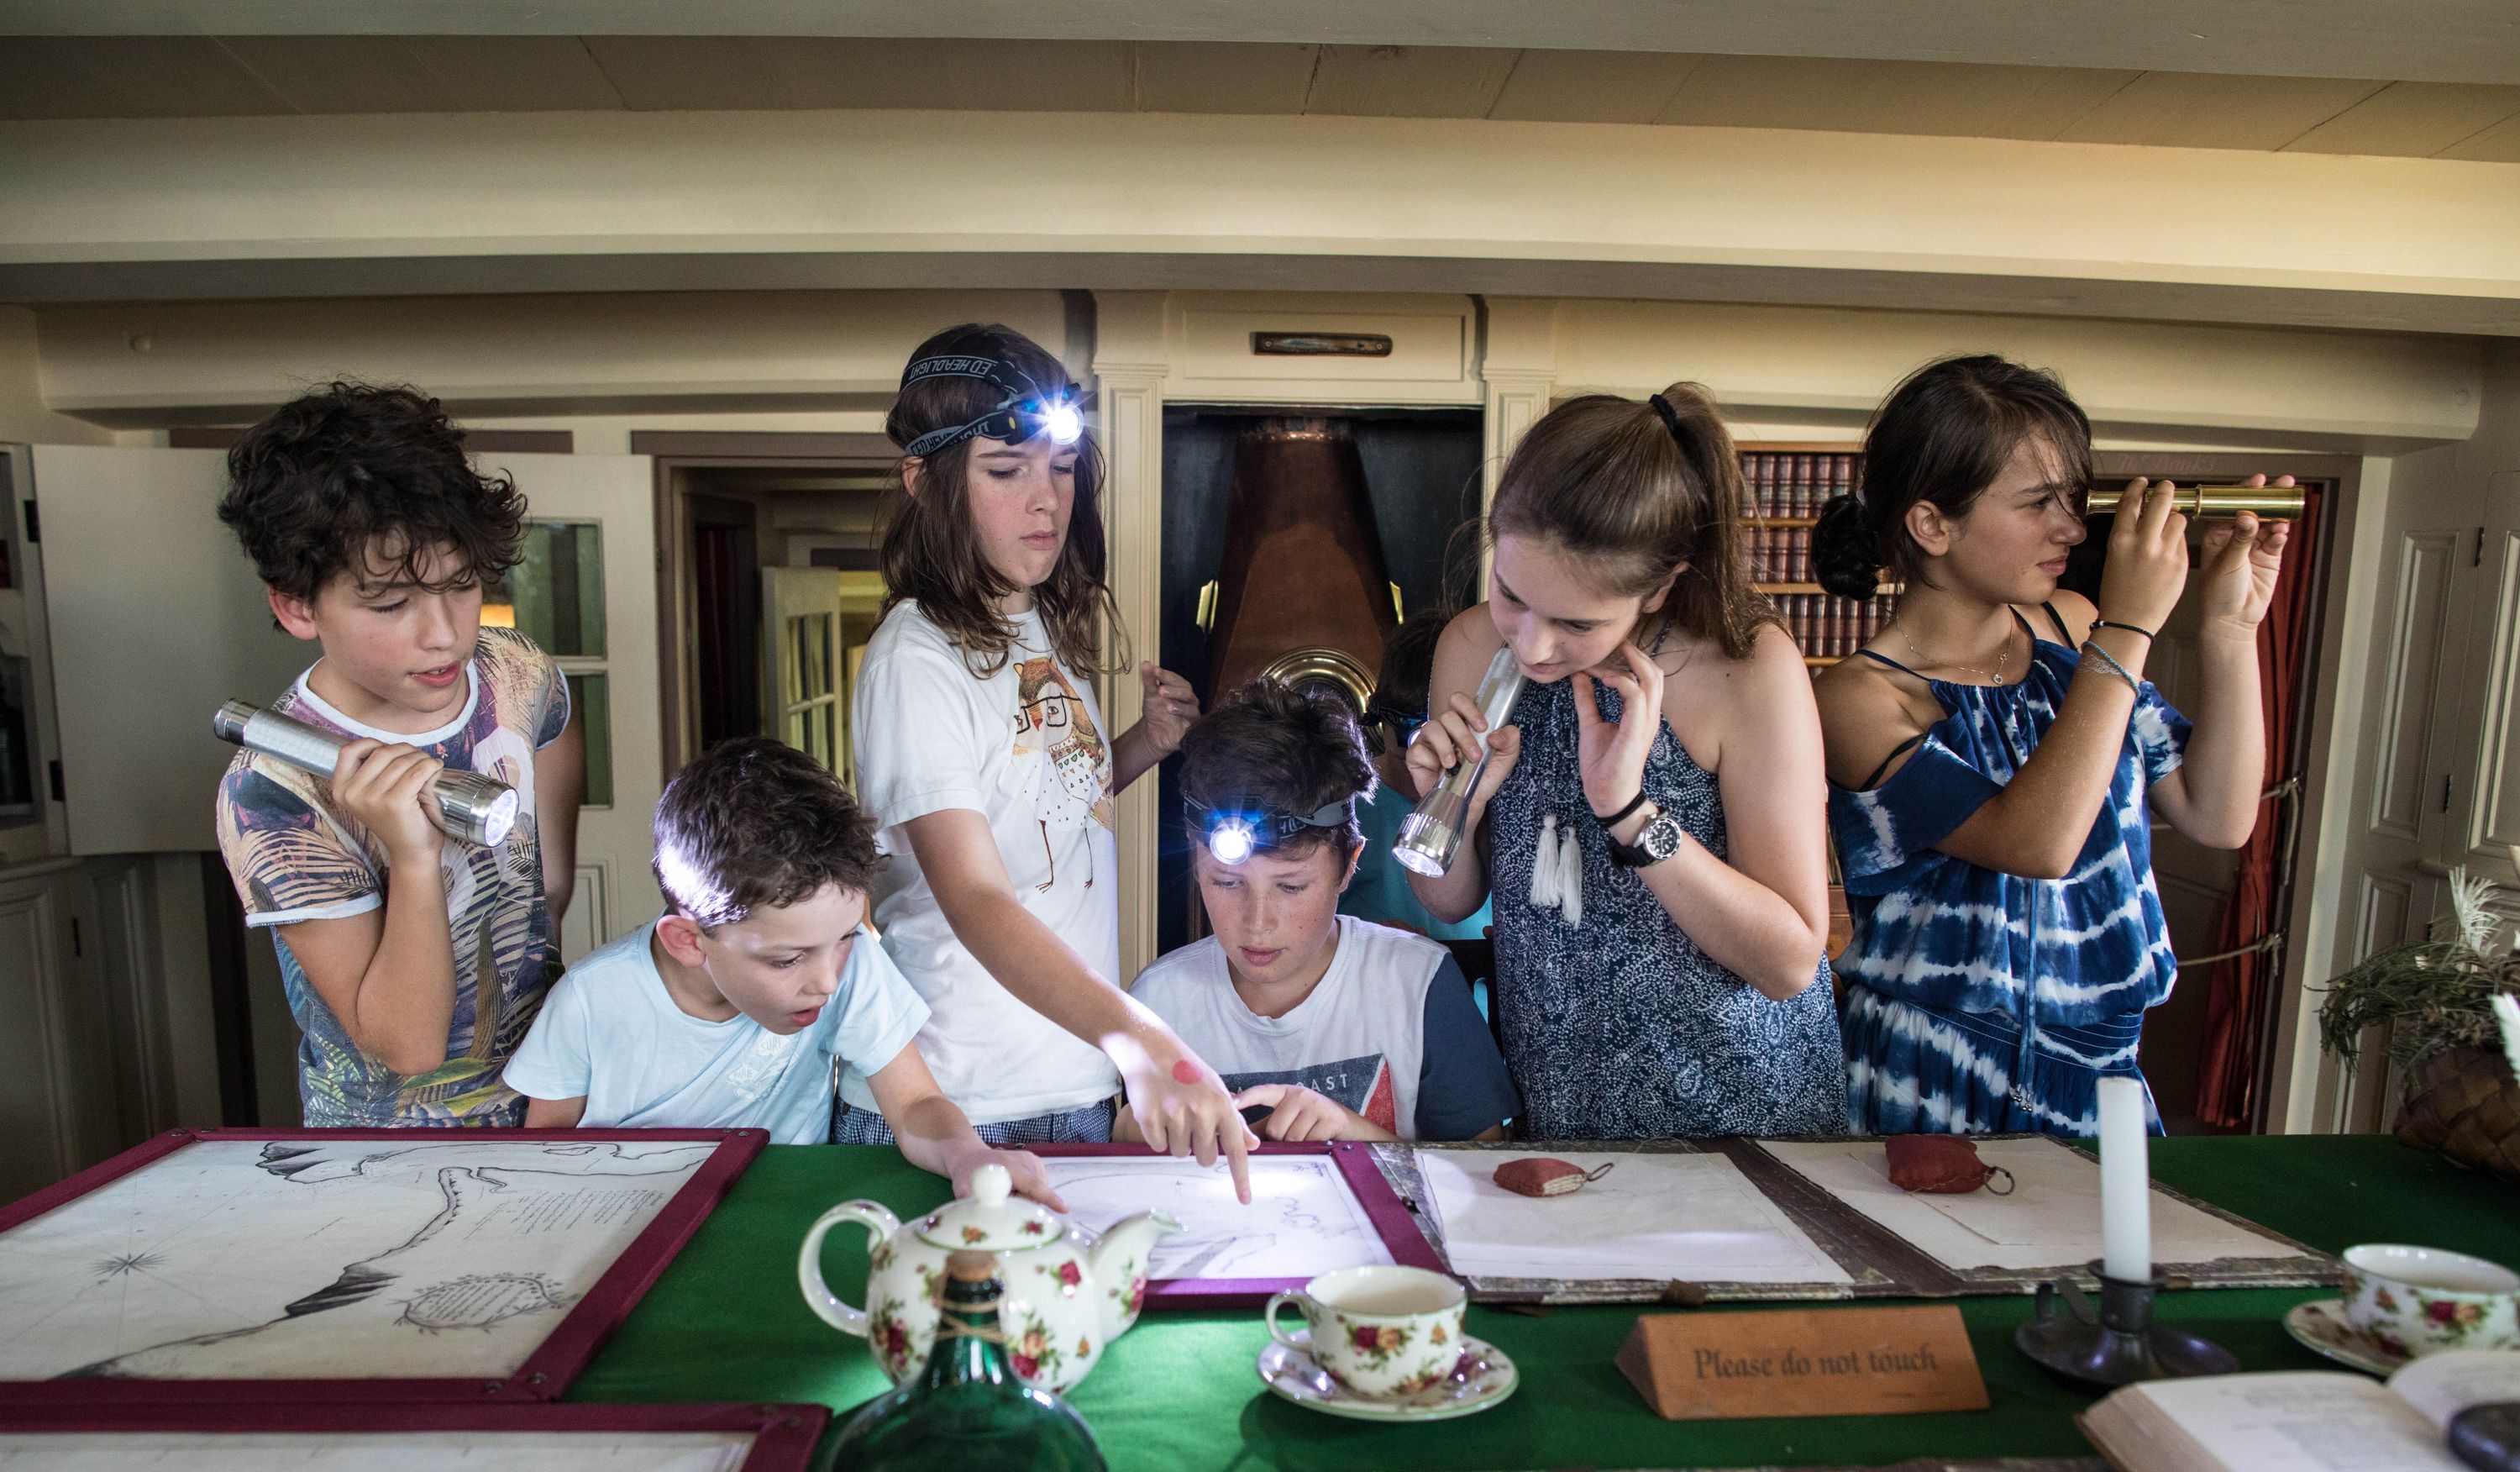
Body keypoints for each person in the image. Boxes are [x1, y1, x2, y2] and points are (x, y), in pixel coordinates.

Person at [1810, 354, 2290, 1136]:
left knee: (2115, 1265)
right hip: (1934, 1075)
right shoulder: (1858, 699)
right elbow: (2033, 842)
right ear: (1933, 524)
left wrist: (2231, 629)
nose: (2071, 528)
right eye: (2038, 503)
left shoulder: (2073, 631)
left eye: (2073, 498)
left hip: (2100, 1071)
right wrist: (2128, 632)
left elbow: (2219, 816)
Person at [846, 323, 1257, 1197]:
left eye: (1061, 468)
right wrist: (1139, 1036)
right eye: (1007, 471)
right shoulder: (914, 659)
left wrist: (1145, 743)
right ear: (924, 480)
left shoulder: (1028, 618)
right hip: (965, 1097)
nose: (1047, 501)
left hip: (1064, 1075)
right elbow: (976, 895)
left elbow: (1042, 806)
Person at [1404, 386, 1845, 1139]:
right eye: (1512, 593)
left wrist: (1631, 816)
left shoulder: (1747, 666)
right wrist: (1454, 805)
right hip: (1560, 1097)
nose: (1532, 646)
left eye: (1577, 622)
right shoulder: (1473, 648)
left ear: (1662, 585)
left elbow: (1789, 961)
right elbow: (1446, 902)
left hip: (1739, 1109)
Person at [213, 381, 582, 1127]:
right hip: (394, 1146)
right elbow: (407, 1045)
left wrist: (550, 885)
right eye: (390, 604)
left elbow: (555, 726)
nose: (444, 634)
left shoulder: (514, 669)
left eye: (461, 584)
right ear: (295, 605)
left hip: (554, 1099)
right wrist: (412, 858)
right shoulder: (272, 794)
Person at [505, 739, 1062, 1203]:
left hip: (788, 1217)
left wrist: (967, 1154)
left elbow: (916, 1104)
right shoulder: (589, 1000)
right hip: (628, 1230)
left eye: (844, 937)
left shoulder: (851, 965)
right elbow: (548, 1154)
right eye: (786, 959)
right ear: (687, 941)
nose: (825, 979)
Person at [1124, 678, 1518, 1144]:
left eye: (1291, 887)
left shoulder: (1417, 985)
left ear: (1348, 866)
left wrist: (1362, 1139)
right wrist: (1129, 1135)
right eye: (1227, 883)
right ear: (1195, 855)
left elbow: (1483, 1178)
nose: (1257, 923)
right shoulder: (1159, 1003)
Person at [1341, 611, 1494, 944]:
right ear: (1380, 717)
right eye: (1410, 729)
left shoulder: (1498, 800)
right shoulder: (1347, 804)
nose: (1426, 749)